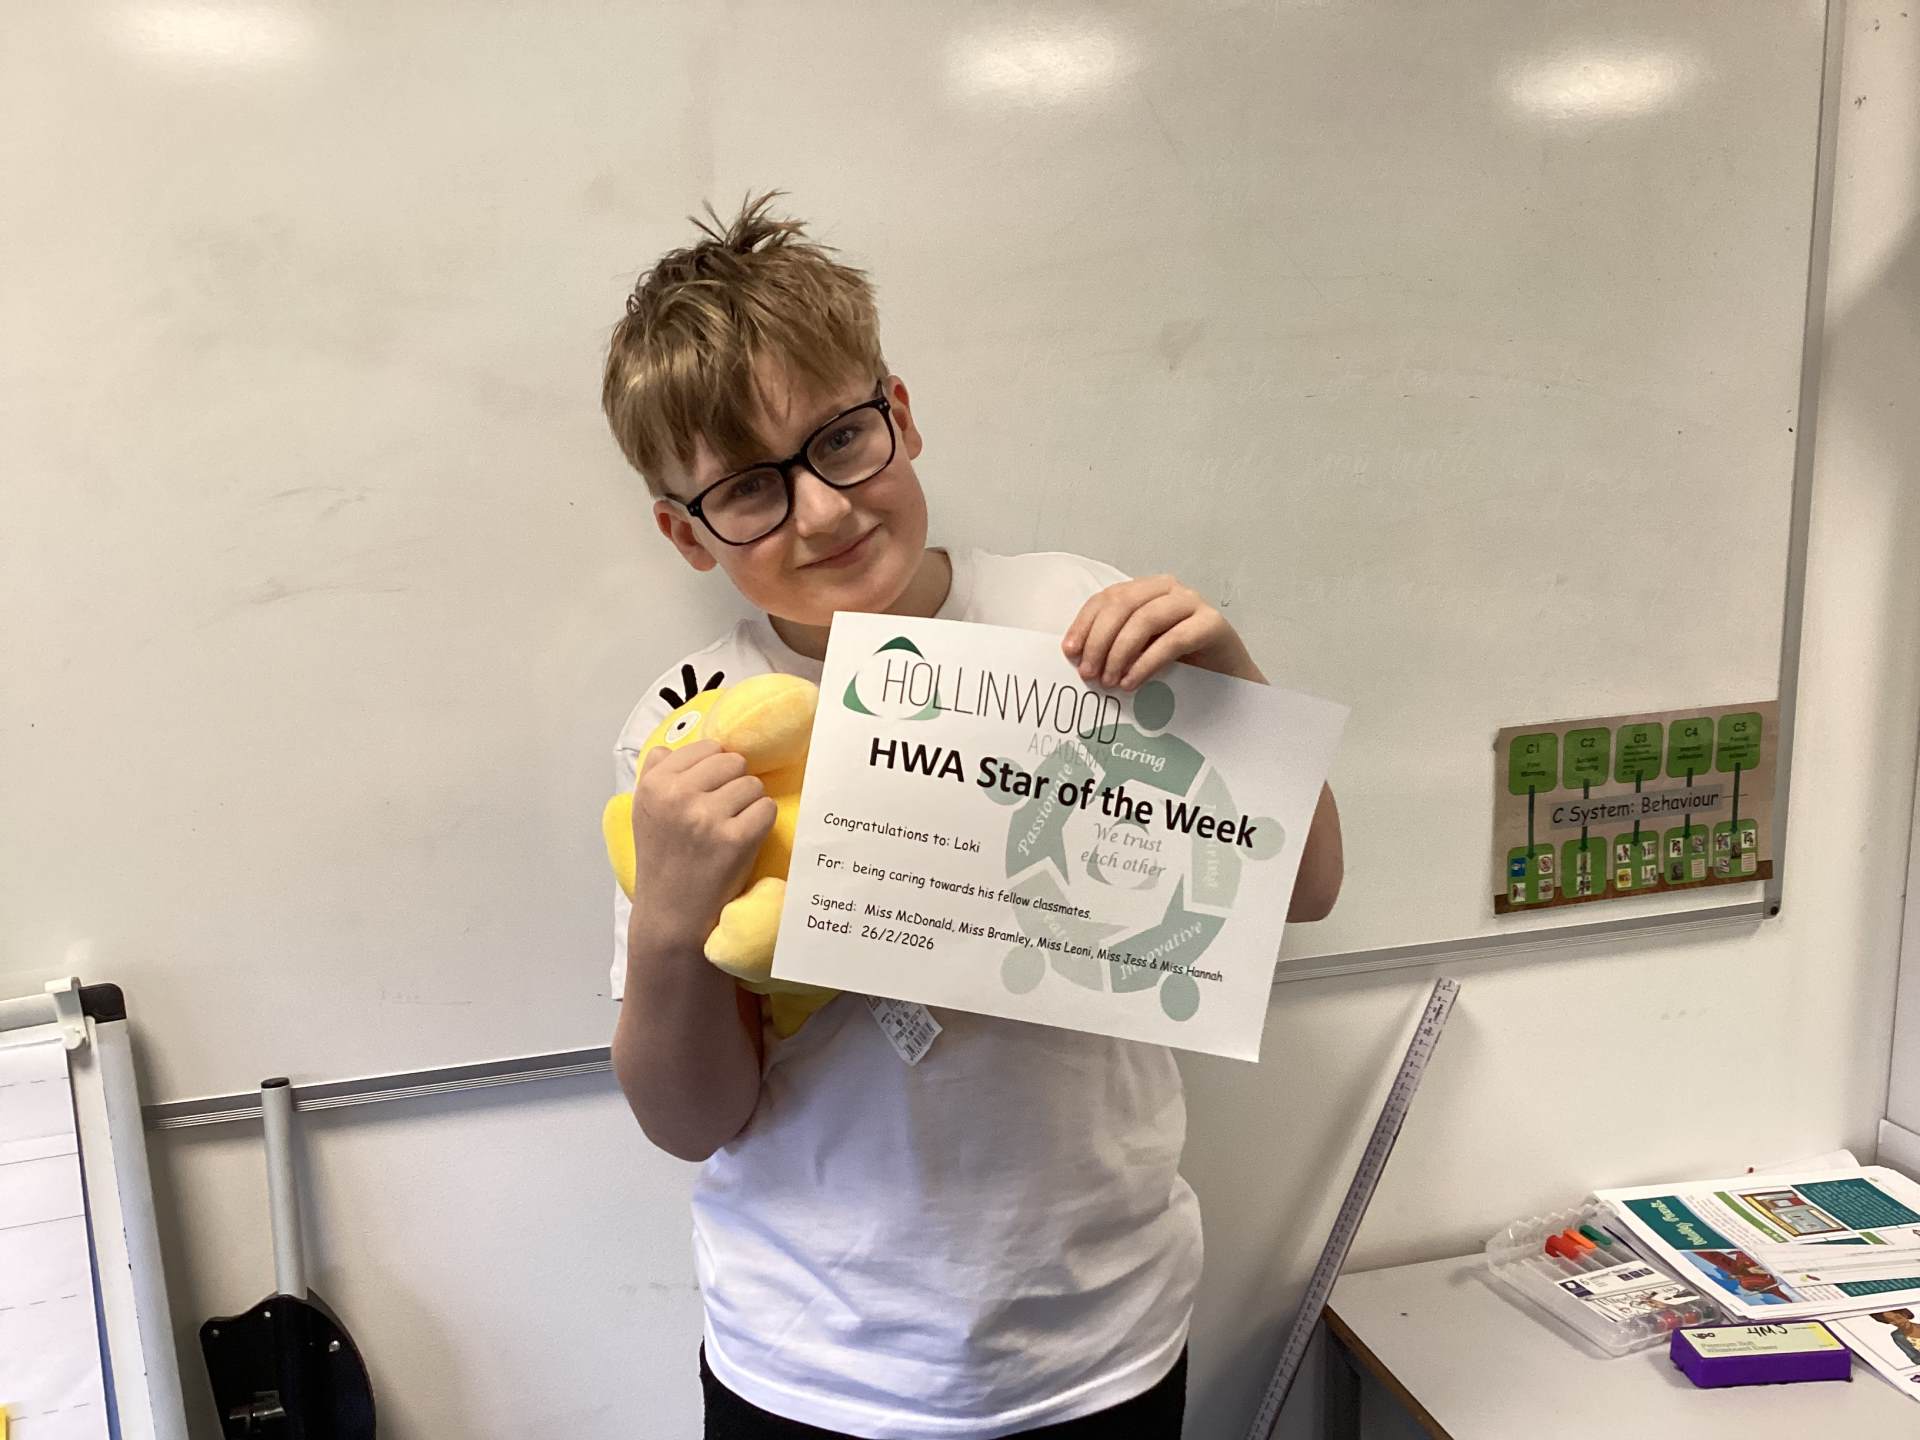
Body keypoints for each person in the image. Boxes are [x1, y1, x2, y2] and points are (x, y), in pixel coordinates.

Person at [600, 193, 1344, 1440]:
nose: (823, 510)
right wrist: (671, 928)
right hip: (809, 1361)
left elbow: (1303, 891)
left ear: (901, 415)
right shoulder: (682, 731)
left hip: (1099, 1338)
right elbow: (690, 1122)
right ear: (687, 534)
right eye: (749, 490)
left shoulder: (1079, 621)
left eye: (842, 440)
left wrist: (1233, 681)